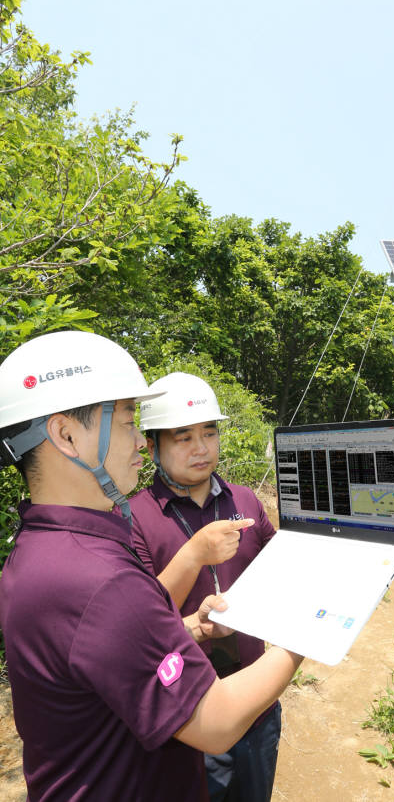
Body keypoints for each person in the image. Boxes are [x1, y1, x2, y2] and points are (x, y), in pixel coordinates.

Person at [0, 331, 303, 802]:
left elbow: (116, 649)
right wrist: (311, 631)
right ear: (65, 435)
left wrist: (195, 631)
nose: (138, 441)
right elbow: (215, 722)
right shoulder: (97, 578)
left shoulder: (42, 549)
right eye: (125, 422)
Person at [129, 372, 280, 802]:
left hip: (256, 701)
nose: (201, 447)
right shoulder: (135, 519)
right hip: (186, 714)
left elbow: (279, 570)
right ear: (153, 445)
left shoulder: (245, 501)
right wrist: (193, 562)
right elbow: (140, 618)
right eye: (183, 437)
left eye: (209, 432)